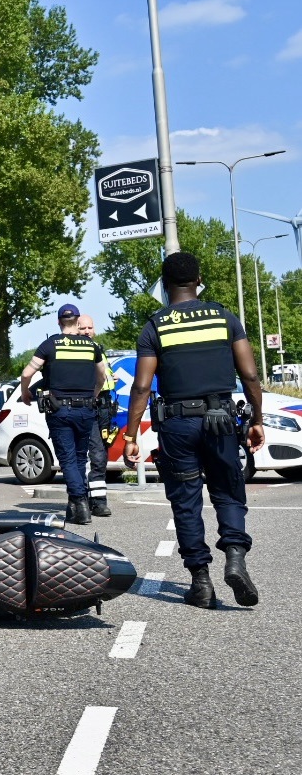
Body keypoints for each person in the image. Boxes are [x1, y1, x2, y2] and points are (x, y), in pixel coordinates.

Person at [122, 252, 262, 609]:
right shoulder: (224, 317)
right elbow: (249, 375)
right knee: (228, 492)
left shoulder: (155, 326)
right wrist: (257, 419)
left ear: (165, 285)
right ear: (198, 279)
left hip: (178, 424)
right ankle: (234, 556)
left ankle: (201, 582)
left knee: (186, 502)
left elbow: (141, 386)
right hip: (221, 419)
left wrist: (130, 435)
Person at [19, 304, 106, 525]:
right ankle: (75, 505)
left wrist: (25, 392)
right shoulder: (91, 346)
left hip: (61, 410)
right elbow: (101, 378)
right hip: (86, 409)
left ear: (59, 322)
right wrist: (93, 395)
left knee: (67, 459)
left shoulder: (50, 345)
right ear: (77, 323)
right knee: (79, 457)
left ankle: (80, 501)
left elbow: (27, 372)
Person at [76, 315, 116, 517]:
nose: (87, 331)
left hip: (105, 405)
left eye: (90, 327)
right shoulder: (78, 351)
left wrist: (111, 377)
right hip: (90, 405)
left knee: (102, 455)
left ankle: (94, 499)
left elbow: (103, 375)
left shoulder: (97, 348)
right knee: (96, 455)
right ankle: (96, 502)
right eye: (82, 328)